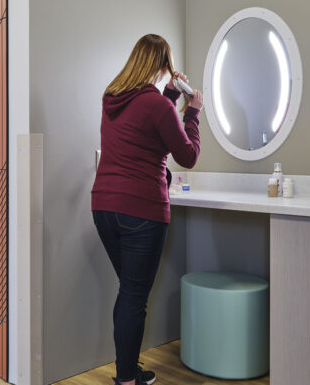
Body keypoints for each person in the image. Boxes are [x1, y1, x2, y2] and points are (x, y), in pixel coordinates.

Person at [91, 34, 203, 385]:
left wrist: (170, 97)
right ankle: (126, 379)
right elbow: (188, 156)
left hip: (103, 207)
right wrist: (193, 113)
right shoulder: (156, 105)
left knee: (128, 291)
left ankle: (127, 372)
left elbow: (145, 127)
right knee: (133, 296)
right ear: (163, 65)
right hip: (141, 210)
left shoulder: (112, 98)